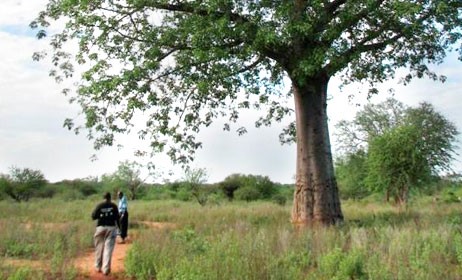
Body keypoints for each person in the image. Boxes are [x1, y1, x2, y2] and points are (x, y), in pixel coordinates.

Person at [91, 192, 120, 276]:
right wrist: (119, 229)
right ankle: (106, 269)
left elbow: (93, 217)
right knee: (108, 249)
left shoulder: (99, 205)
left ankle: (97, 267)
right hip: (111, 228)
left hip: (100, 228)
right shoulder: (114, 206)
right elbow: (117, 218)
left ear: (103, 198)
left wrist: (101, 215)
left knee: (99, 247)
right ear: (110, 198)